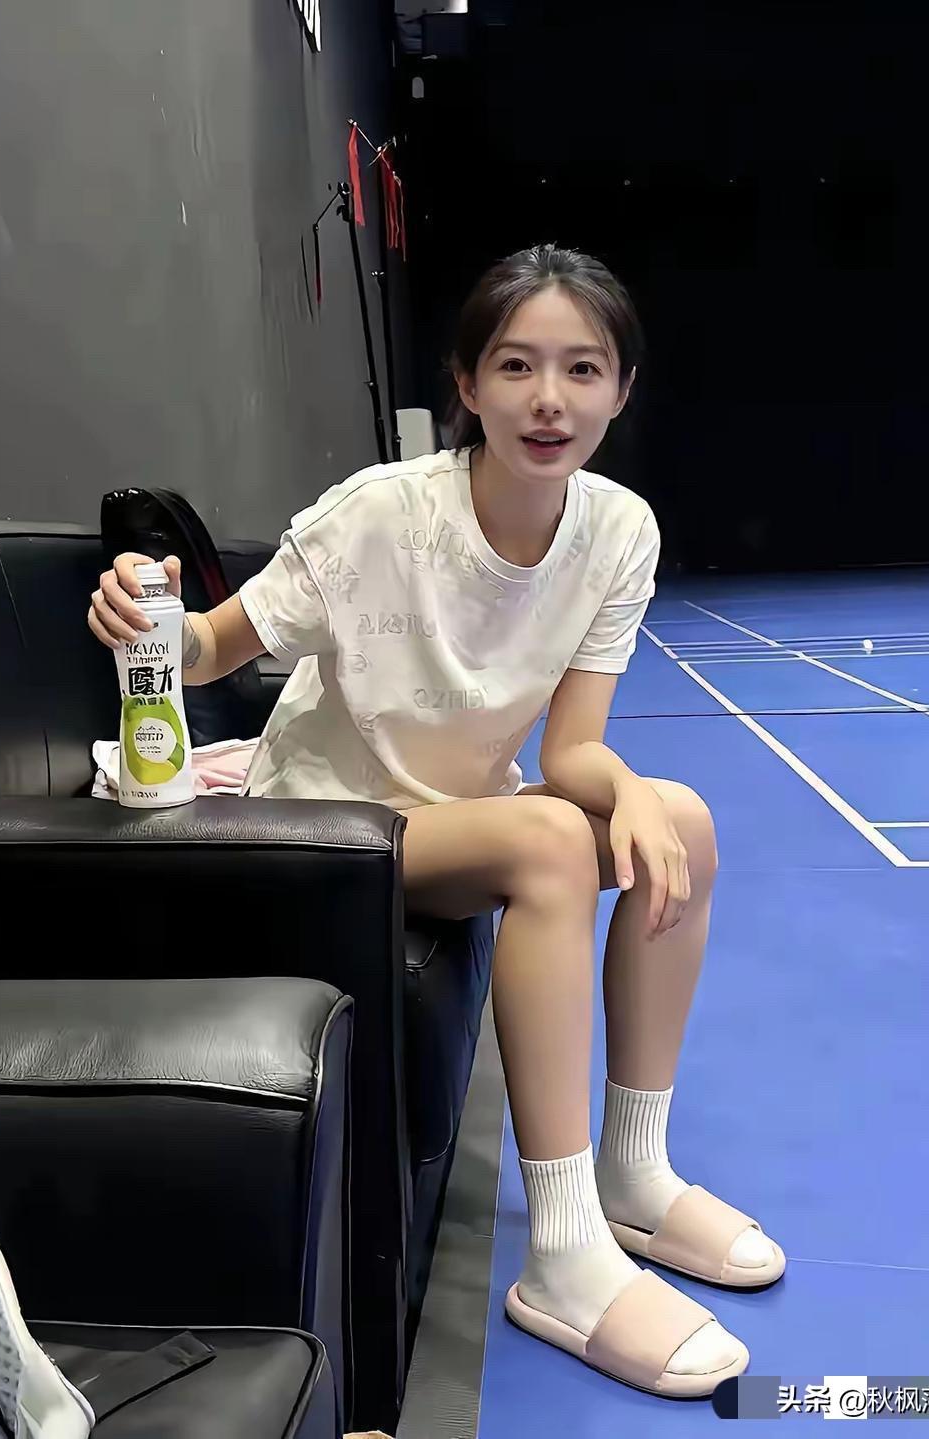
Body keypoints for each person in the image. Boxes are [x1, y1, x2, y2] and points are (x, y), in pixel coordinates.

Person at [88, 243, 784, 1398]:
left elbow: (571, 751)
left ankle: (633, 1174)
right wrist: (146, 614)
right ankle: (564, 1257)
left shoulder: (618, 532)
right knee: (551, 842)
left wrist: (630, 793)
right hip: (321, 822)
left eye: (582, 368)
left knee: (686, 821)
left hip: (458, 813)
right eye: (516, 365)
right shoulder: (379, 514)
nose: (549, 398)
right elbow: (214, 646)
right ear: (466, 384)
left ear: (621, 389)